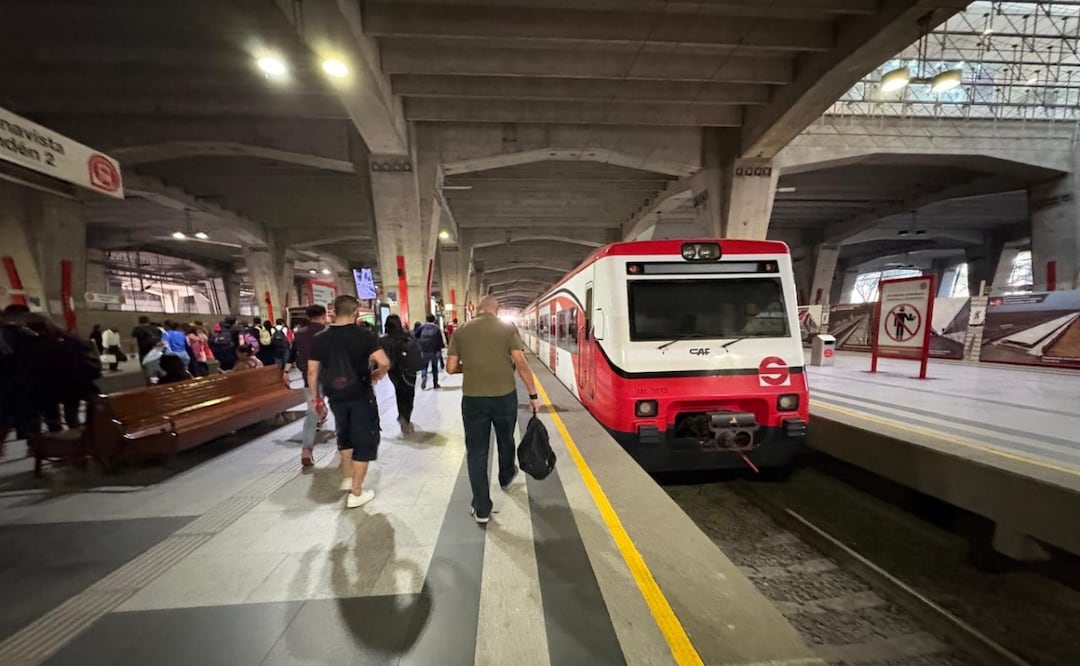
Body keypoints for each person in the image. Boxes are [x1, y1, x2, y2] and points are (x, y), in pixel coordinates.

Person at [447, 295, 540, 524]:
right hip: (504, 397)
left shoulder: (461, 330)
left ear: (477, 309)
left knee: (476, 451)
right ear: (496, 310)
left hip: (473, 400)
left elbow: (450, 367)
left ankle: (481, 508)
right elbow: (521, 363)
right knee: (505, 438)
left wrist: (470, 367)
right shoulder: (507, 328)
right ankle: (506, 475)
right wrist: (533, 395)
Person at [308, 295, 390, 509]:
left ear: (334, 311)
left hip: (335, 395)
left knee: (344, 433)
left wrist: (316, 398)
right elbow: (384, 362)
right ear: (355, 312)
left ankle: (347, 476)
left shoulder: (319, 338)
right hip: (360, 393)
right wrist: (378, 373)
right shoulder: (365, 335)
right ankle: (356, 492)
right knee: (364, 439)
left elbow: (312, 372)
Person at [282, 304, 328, 468]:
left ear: (308, 317)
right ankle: (343, 446)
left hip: (309, 378)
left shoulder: (299, 334)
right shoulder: (328, 332)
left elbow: (292, 354)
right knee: (341, 408)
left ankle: (306, 450)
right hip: (330, 377)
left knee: (311, 413)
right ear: (324, 315)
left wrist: (286, 371)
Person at [380, 314, 419, 434]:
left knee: (399, 392)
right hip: (408, 371)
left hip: (393, 371)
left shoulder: (383, 340)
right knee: (409, 394)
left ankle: (402, 415)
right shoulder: (407, 336)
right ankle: (406, 418)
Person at [416, 314, 446, 390]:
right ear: (434, 320)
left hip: (424, 350)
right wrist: (440, 349)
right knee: (434, 367)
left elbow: (416, 336)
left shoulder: (422, 327)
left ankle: (424, 377)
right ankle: (435, 383)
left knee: (424, 366)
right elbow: (439, 340)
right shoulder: (436, 328)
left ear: (426, 319)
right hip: (434, 351)